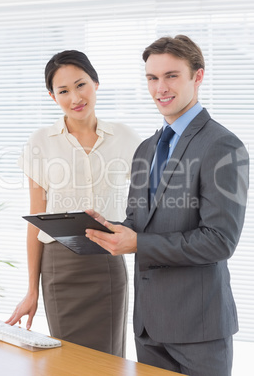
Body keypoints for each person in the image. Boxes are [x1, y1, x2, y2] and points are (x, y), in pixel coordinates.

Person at [85, 35, 249, 375]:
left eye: (172, 75)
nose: (161, 87)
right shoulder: (146, 148)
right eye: (152, 78)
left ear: (197, 77)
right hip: (148, 327)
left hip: (198, 329)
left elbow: (219, 241)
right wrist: (112, 228)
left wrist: (137, 243)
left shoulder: (222, 146)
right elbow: (138, 221)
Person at [6, 50, 141, 357]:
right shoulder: (41, 142)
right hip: (59, 269)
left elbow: (147, 204)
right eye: (63, 91)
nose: (75, 97)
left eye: (81, 85)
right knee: (65, 361)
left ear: (95, 83)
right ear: (53, 97)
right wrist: (31, 290)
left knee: (108, 360)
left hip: (107, 263)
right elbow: (35, 220)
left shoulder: (125, 137)